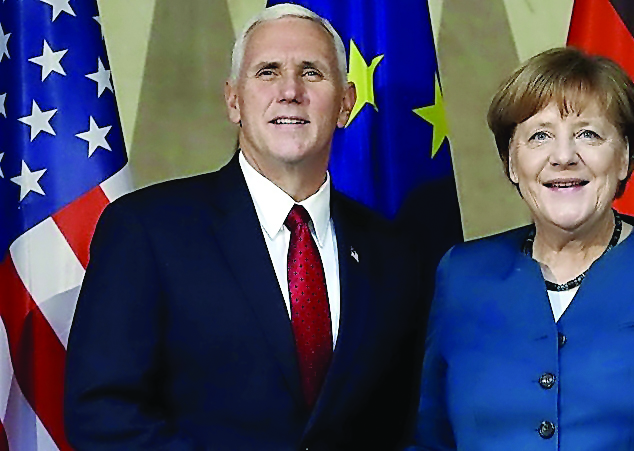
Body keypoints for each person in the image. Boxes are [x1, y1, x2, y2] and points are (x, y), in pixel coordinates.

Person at [65, 4, 425, 450]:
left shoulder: (394, 253)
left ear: (346, 103)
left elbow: (409, 420)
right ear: (234, 100)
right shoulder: (146, 230)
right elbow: (102, 413)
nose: (290, 91)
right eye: (268, 72)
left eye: (311, 72)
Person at [409, 47, 634, 450]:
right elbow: (430, 440)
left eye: (588, 134)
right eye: (540, 135)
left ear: (624, 157)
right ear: (511, 162)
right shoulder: (462, 274)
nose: (563, 157)